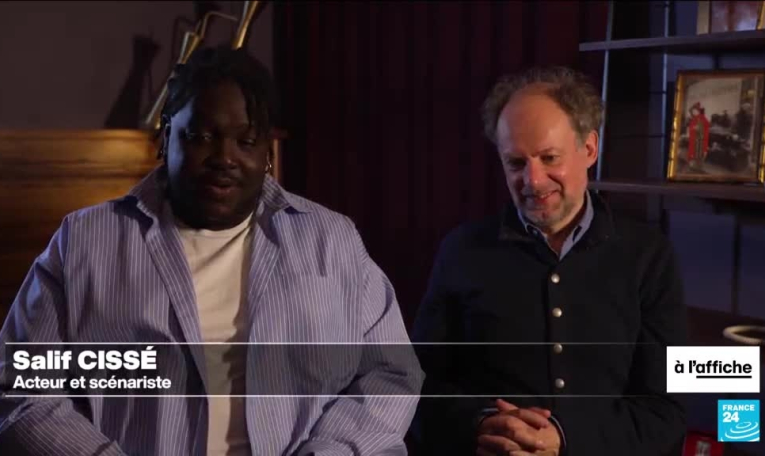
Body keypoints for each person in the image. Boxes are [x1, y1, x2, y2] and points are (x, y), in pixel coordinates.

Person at [0, 46, 422, 456]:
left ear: (267, 151)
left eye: (246, 140)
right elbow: (21, 387)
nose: (224, 157)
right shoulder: (84, 241)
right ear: (167, 136)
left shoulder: (332, 241)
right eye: (202, 136)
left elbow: (391, 372)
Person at [411, 67, 686, 455]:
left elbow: (668, 408)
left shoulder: (650, 255)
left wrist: (563, 438)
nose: (533, 180)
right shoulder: (461, 251)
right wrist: (481, 424)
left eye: (549, 158)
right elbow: (416, 387)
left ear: (589, 149)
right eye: (515, 163)